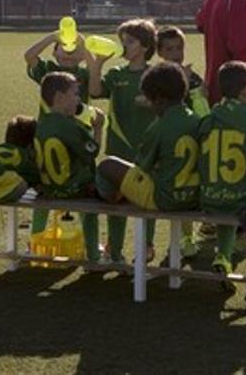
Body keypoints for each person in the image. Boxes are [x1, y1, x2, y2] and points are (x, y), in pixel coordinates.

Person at [96, 62, 201, 257]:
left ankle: (113, 197)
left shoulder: (159, 127)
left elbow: (142, 167)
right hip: (194, 197)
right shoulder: (196, 120)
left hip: (165, 199)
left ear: (159, 100)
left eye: (151, 101)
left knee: (107, 165)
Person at [198, 61, 246, 290]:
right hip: (244, 200)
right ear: (244, 92)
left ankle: (223, 257)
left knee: (227, 200)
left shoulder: (209, 119)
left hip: (210, 198)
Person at [88, 18, 158, 263]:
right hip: (118, 149)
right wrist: (97, 64)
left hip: (146, 151)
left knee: (145, 202)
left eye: (130, 41)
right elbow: (95, 91)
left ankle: (146, 246)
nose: (124, 46)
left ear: (146, 46)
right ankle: (113, 250)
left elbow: (167, 105)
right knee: (115, 203)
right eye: (122, 41)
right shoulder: (116, 74)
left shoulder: (154, 74)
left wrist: (150, 102)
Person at [23, 30, 97, 235]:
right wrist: (52, 38)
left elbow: (95, 73)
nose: (68, 56)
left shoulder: (83, 74)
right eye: (62, 51)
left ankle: (87, 242)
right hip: (50, 138)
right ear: (54, 53)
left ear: (82, 55)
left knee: (83, 188)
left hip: (78, 137)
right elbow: (29, 56)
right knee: (45, 191)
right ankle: (36, 238)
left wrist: (84, 47)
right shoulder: (49, 74)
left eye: (74, 52)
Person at [33, 72, 106, 261]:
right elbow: (92, 151)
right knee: (91, 209)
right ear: (59, 97)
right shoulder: (70, 126)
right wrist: (97, 129)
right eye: (75, 94)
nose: (78, 99)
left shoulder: (41, 124)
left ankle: (34, 246)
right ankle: (93, 255)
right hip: (73, 189)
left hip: (50, 189)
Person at [156, 25, 211, 117]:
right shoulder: (157, 76)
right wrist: (184, 82)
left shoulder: (192, 76)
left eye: (179, 48)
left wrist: (204, 93)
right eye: (169, 49)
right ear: (160, 52)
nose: (176, 53)